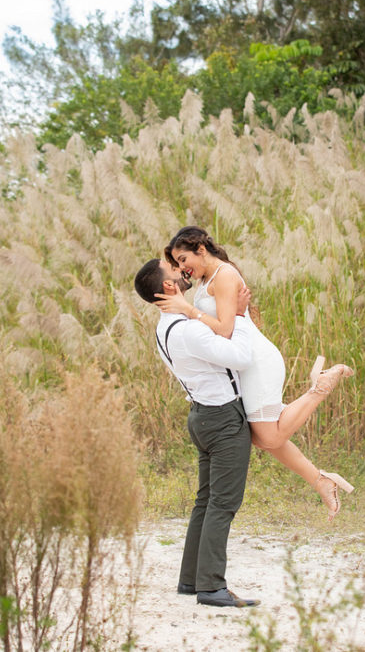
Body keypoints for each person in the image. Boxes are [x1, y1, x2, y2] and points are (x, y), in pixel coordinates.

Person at [156, 226, 355, 521]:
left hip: (256, 362)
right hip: (242, 364)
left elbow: (225, 329)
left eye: (184, 259)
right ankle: (321, 480)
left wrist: (188, 310)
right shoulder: (205, 281)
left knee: (270, 437)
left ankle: (322, 386)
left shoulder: (223, 275)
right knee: (261, 438)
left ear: (200, 248)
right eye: (178, 263)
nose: (183, 268)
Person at [134, 256, 260, 608]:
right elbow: (242, 356)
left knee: (205, 502)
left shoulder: (165, 329)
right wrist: (237, 315)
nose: (181, 268)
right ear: (170, 287)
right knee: (223, 504)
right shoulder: (189, 329)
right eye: (174, 269)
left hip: (201, 416)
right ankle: (212, 587)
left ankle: (191, 581)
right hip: (222, 418)